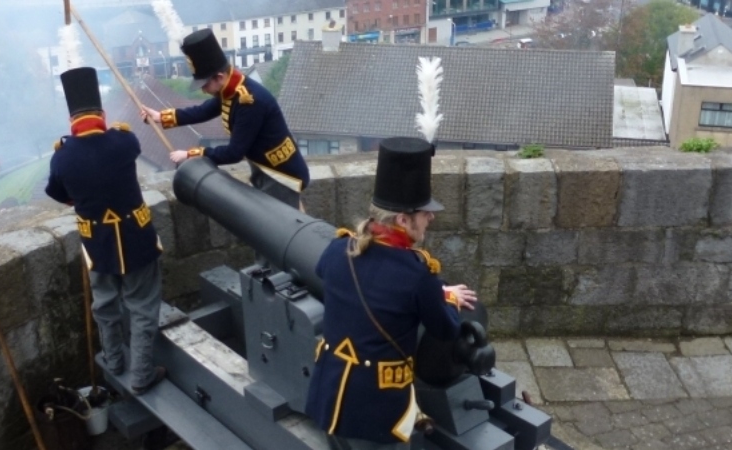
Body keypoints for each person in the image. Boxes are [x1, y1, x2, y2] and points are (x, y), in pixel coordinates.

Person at [305, 136, 478, 449]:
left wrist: (433, 292)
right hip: (378, 410)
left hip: (330, 396)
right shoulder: (418, 276)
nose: (431, 217)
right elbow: (446, 328)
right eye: (424, 212)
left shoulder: (337, 249)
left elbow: (340, 276)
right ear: (403, 220)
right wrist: (446, 297)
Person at [45, 67, 167, 395]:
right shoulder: (124, 140)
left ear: (71, 118)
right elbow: (131, 153)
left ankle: (114, 362)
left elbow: (57, 193)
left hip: (97, 244)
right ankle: (141, 375)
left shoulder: (62, 158)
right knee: (143, 308)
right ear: (102, 114)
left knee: (105, 306)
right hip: (136, 239)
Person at [139, 28, 310, 209]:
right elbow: (203, 111)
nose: (203, 90)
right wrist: (161, 117)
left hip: (281, 174)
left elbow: (233, 153)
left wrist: (191, 154)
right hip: (263, 167)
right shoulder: (231, 89)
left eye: (205, 84)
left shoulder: (249, 101)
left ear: (219, 77)